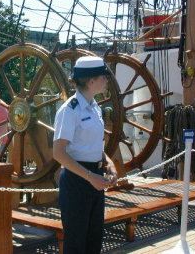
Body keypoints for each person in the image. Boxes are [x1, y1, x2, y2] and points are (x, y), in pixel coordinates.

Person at [53, 56, 118, 254]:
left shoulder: (94, 107)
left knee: (93, 239)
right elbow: (58, 153)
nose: (106, 80)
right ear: (91, 81)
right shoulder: (69, 110)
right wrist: (90, 177)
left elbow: (94, 146)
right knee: (76, 242)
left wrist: (110, 163)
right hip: (77, 180)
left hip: (95, 177)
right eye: (103, 77)